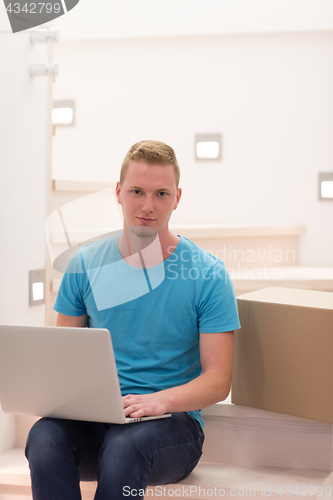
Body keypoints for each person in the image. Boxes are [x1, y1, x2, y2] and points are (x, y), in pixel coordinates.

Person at [25, 140, 240, 500]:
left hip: (172, 427)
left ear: (177, 197)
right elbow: (64, 362)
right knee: (43, 438)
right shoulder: (84, 265)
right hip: (98, 420)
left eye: (161, 194)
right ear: (118, 193)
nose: (148, 206)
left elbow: (218, 381)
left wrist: (162, 401)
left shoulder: (207, 274)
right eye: (137, 191)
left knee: (126, 447)